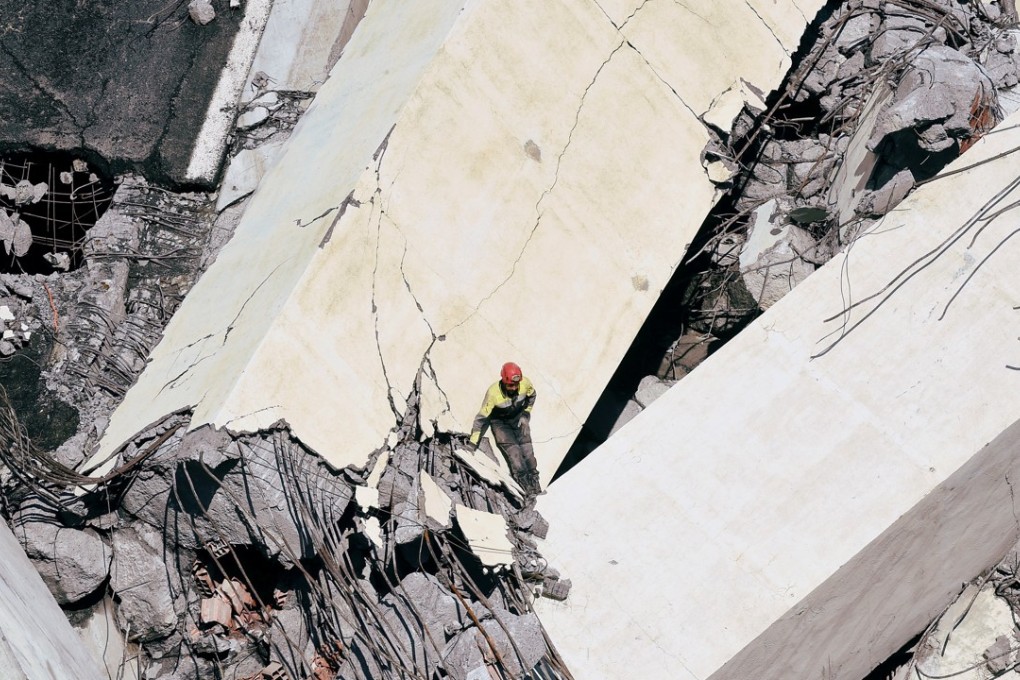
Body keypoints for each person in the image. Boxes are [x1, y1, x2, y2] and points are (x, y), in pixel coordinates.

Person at [469, 362, 541, 496]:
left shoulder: (525, 383)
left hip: (518, 418)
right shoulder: (493, 393)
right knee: (516, 456)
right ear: (503, 381)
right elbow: (481, 419)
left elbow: (532, 396)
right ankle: (527, 492)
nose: (513, 388)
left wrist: (526, 413)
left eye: (516, 385)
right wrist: (473, 443)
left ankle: (536, 487)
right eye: (510, 385)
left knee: (528, 453)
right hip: (500, 423)